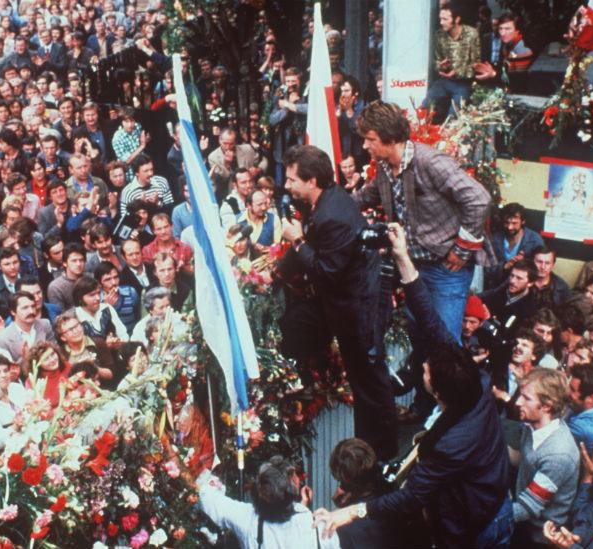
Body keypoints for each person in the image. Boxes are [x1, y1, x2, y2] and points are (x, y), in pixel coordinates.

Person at [313, 222, 512, 548]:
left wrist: (353, 512)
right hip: (493, 498)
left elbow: (411, 497)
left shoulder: (450, 446)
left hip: (477, 524)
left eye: (427, 370)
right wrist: (403, 257)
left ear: (437, 393)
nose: (422, 365)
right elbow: (431, 320)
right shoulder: (473, 380)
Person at [277, 145, 396, 459]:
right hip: (351, 307)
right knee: (365, 382)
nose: (287, 186)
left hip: (359, 312)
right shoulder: (328, 202)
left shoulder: (333, 216)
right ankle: (370, 449)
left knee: (369, 383)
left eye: (292, 180)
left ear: (312, 180)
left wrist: (297, 240)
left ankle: (381, 455)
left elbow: (327, 272)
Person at [358, 100, 491, 342]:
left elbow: (479, 198)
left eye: (370, 138)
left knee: (445, 344)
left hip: (446, 270)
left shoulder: (430, 162)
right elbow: (367, 195)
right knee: (420, 339)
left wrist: (462, 249)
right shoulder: (385, 166)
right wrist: (329, 203)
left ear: (389, 137)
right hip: (415, 269)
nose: (364, 145)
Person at [198, 455, 338, 549]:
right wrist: (302, 506)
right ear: (292, 489)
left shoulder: (247, 519)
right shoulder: (322, 527)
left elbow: (207, 497)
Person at [509, 368, 579, 548]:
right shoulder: (531, 426)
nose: (518, 402)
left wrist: (482, 516)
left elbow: (528, 508)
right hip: (522, 519)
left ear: (547, 406)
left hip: (537, 538)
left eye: (526, 398)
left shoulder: (558, 454)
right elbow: (522, 460)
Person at [423, 3, 480, 119]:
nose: (441, 22)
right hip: (444, 81)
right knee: (425, 107)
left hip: (464, 83)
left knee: (453, 116)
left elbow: (476, 65)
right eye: (440, 19)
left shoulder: (472, 34)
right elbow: (436, 62)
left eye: (445, 19)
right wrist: (441, 66)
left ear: (457, 19)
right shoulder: (439, 35)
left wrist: (458, 72)